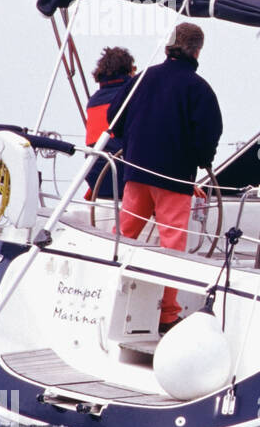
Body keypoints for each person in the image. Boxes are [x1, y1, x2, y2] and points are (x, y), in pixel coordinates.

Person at [111, 23, 224, 334]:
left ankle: (106, 293)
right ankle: (167, 314)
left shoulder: (142, 77)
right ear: (198, 51)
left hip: (136, 172)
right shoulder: (198, 88)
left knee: (123, 234)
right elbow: (209, 132)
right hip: (174, 178)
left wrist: (130, 142)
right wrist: (201, 162)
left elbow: (114, 117)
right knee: (171, 246)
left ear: (169, 46)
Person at [84, 46, 135, 200]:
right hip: (125, 179)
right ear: (128, 70)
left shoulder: (93, 101)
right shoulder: (130, 96)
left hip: (96, 180)